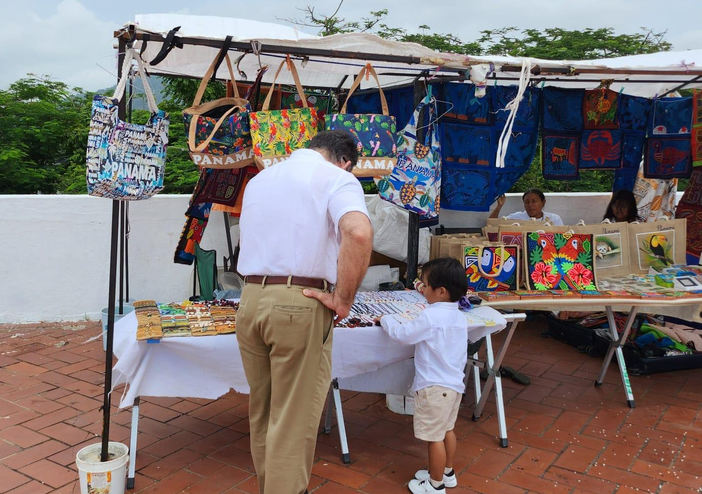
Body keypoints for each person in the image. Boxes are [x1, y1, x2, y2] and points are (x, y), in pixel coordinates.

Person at [236, 130, 374, 494]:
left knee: (263, 413)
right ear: (345, 160)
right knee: (292, 421)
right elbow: (358, 233)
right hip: (299, 301)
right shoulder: (338, 178)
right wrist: (344, 300)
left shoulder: (261, 178)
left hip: (250, 298)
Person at [380, 257, 469, 493]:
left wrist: (386, 320)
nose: (422, 289)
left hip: (433, 387)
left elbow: (403, 335)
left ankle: (435, 485)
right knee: (447, 429)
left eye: (424, 285)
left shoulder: (431, 316)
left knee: (434, 438)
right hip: (453, 386)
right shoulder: (459, 316)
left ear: (440, 291)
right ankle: (447, 472)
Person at [488, 189, 564, 226]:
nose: (530, 205)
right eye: (527, 202)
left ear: (543, 202)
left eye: (534, 201)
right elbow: (491, 225)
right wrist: (499, 207)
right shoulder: (516, 217)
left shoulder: (554, 219)